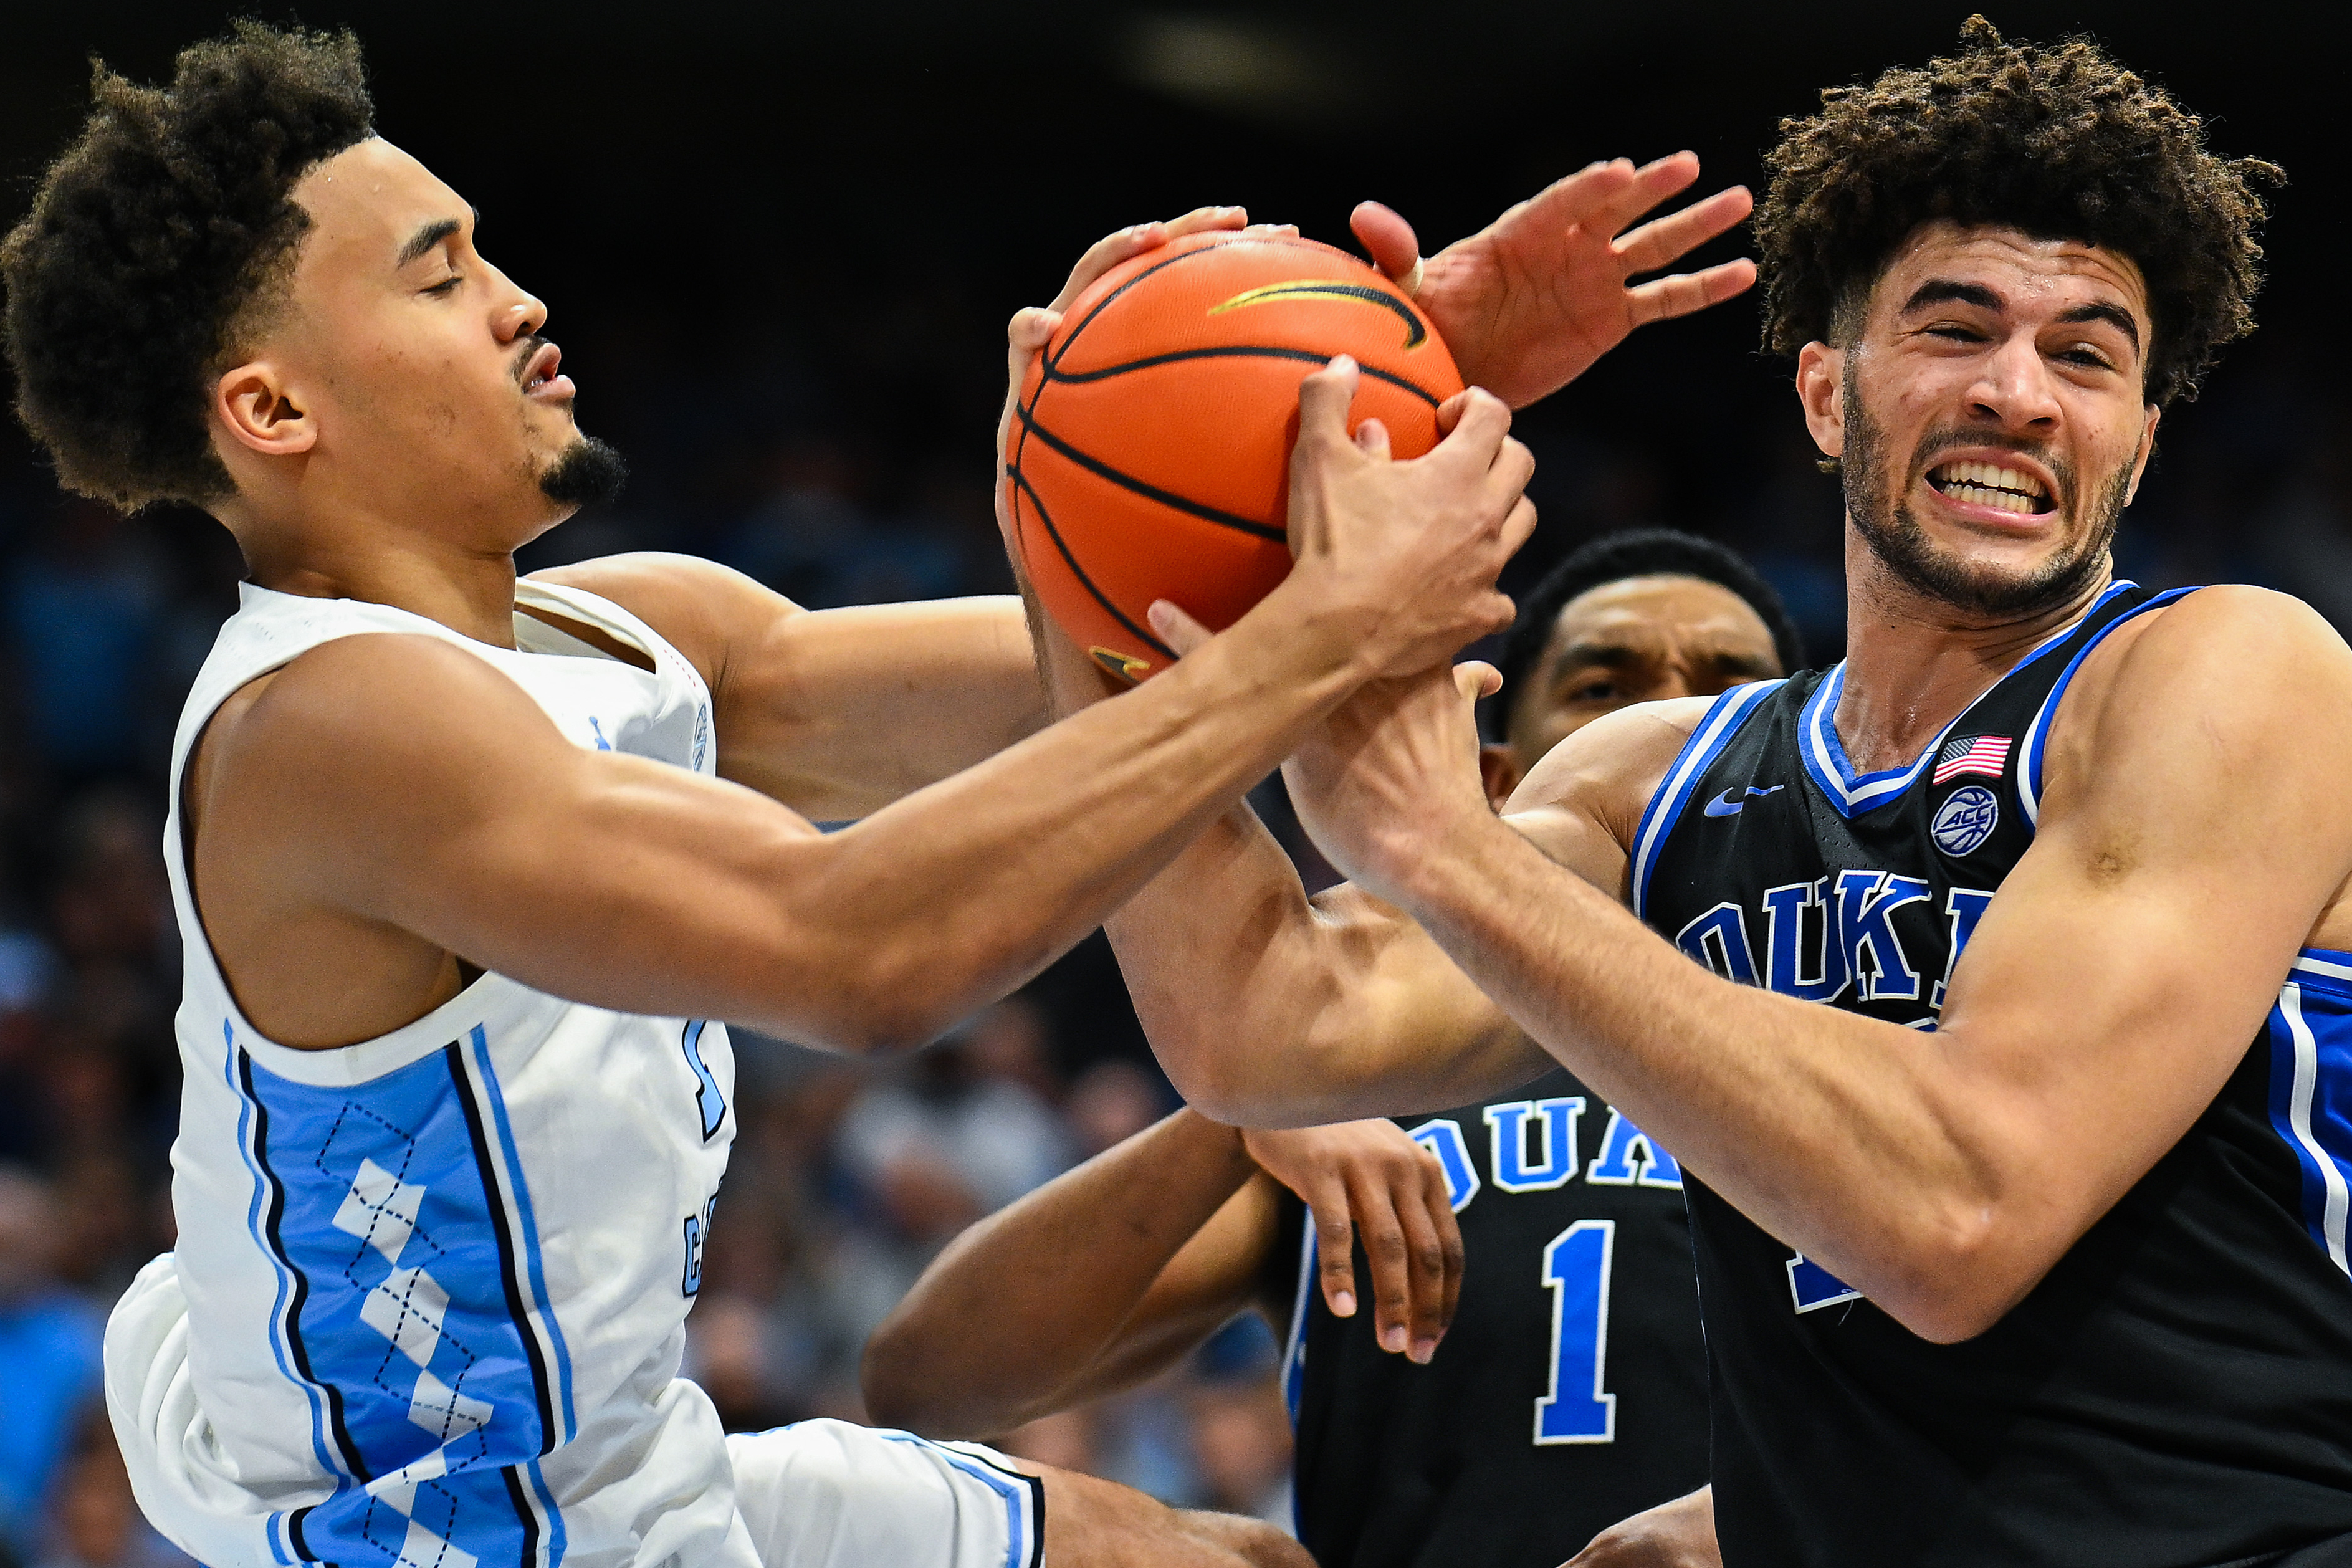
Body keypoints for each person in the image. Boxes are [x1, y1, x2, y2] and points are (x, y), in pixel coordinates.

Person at [0, 23, 1755, 1568]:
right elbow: (857, 949)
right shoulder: (334, 723)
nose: (519, 300)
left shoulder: (625, 632)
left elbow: (1101, 660)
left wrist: (1345, 404)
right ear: (269, 404)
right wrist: (1319, 626)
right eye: (440, 273)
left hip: (601, 1458)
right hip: (450, 1533)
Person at [1084, 20, 2352, 1568]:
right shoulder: (1655, 781)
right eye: (1955, 329)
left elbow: (1961, 1212)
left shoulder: (2231, 677)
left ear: (2139, 445)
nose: (2022, 393)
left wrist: (1449, 853)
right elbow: (1261, 1023)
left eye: (2086, 355)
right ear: (1827, 395)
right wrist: (1179, 492)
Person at [864, 532, 1800, 1568]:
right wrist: (1239, 1121)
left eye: (1727, 692)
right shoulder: (1352, 1080)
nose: (1664, 721)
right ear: (1503, 779)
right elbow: (929, 1379)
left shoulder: (1872, 1048)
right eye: (1601, 685)